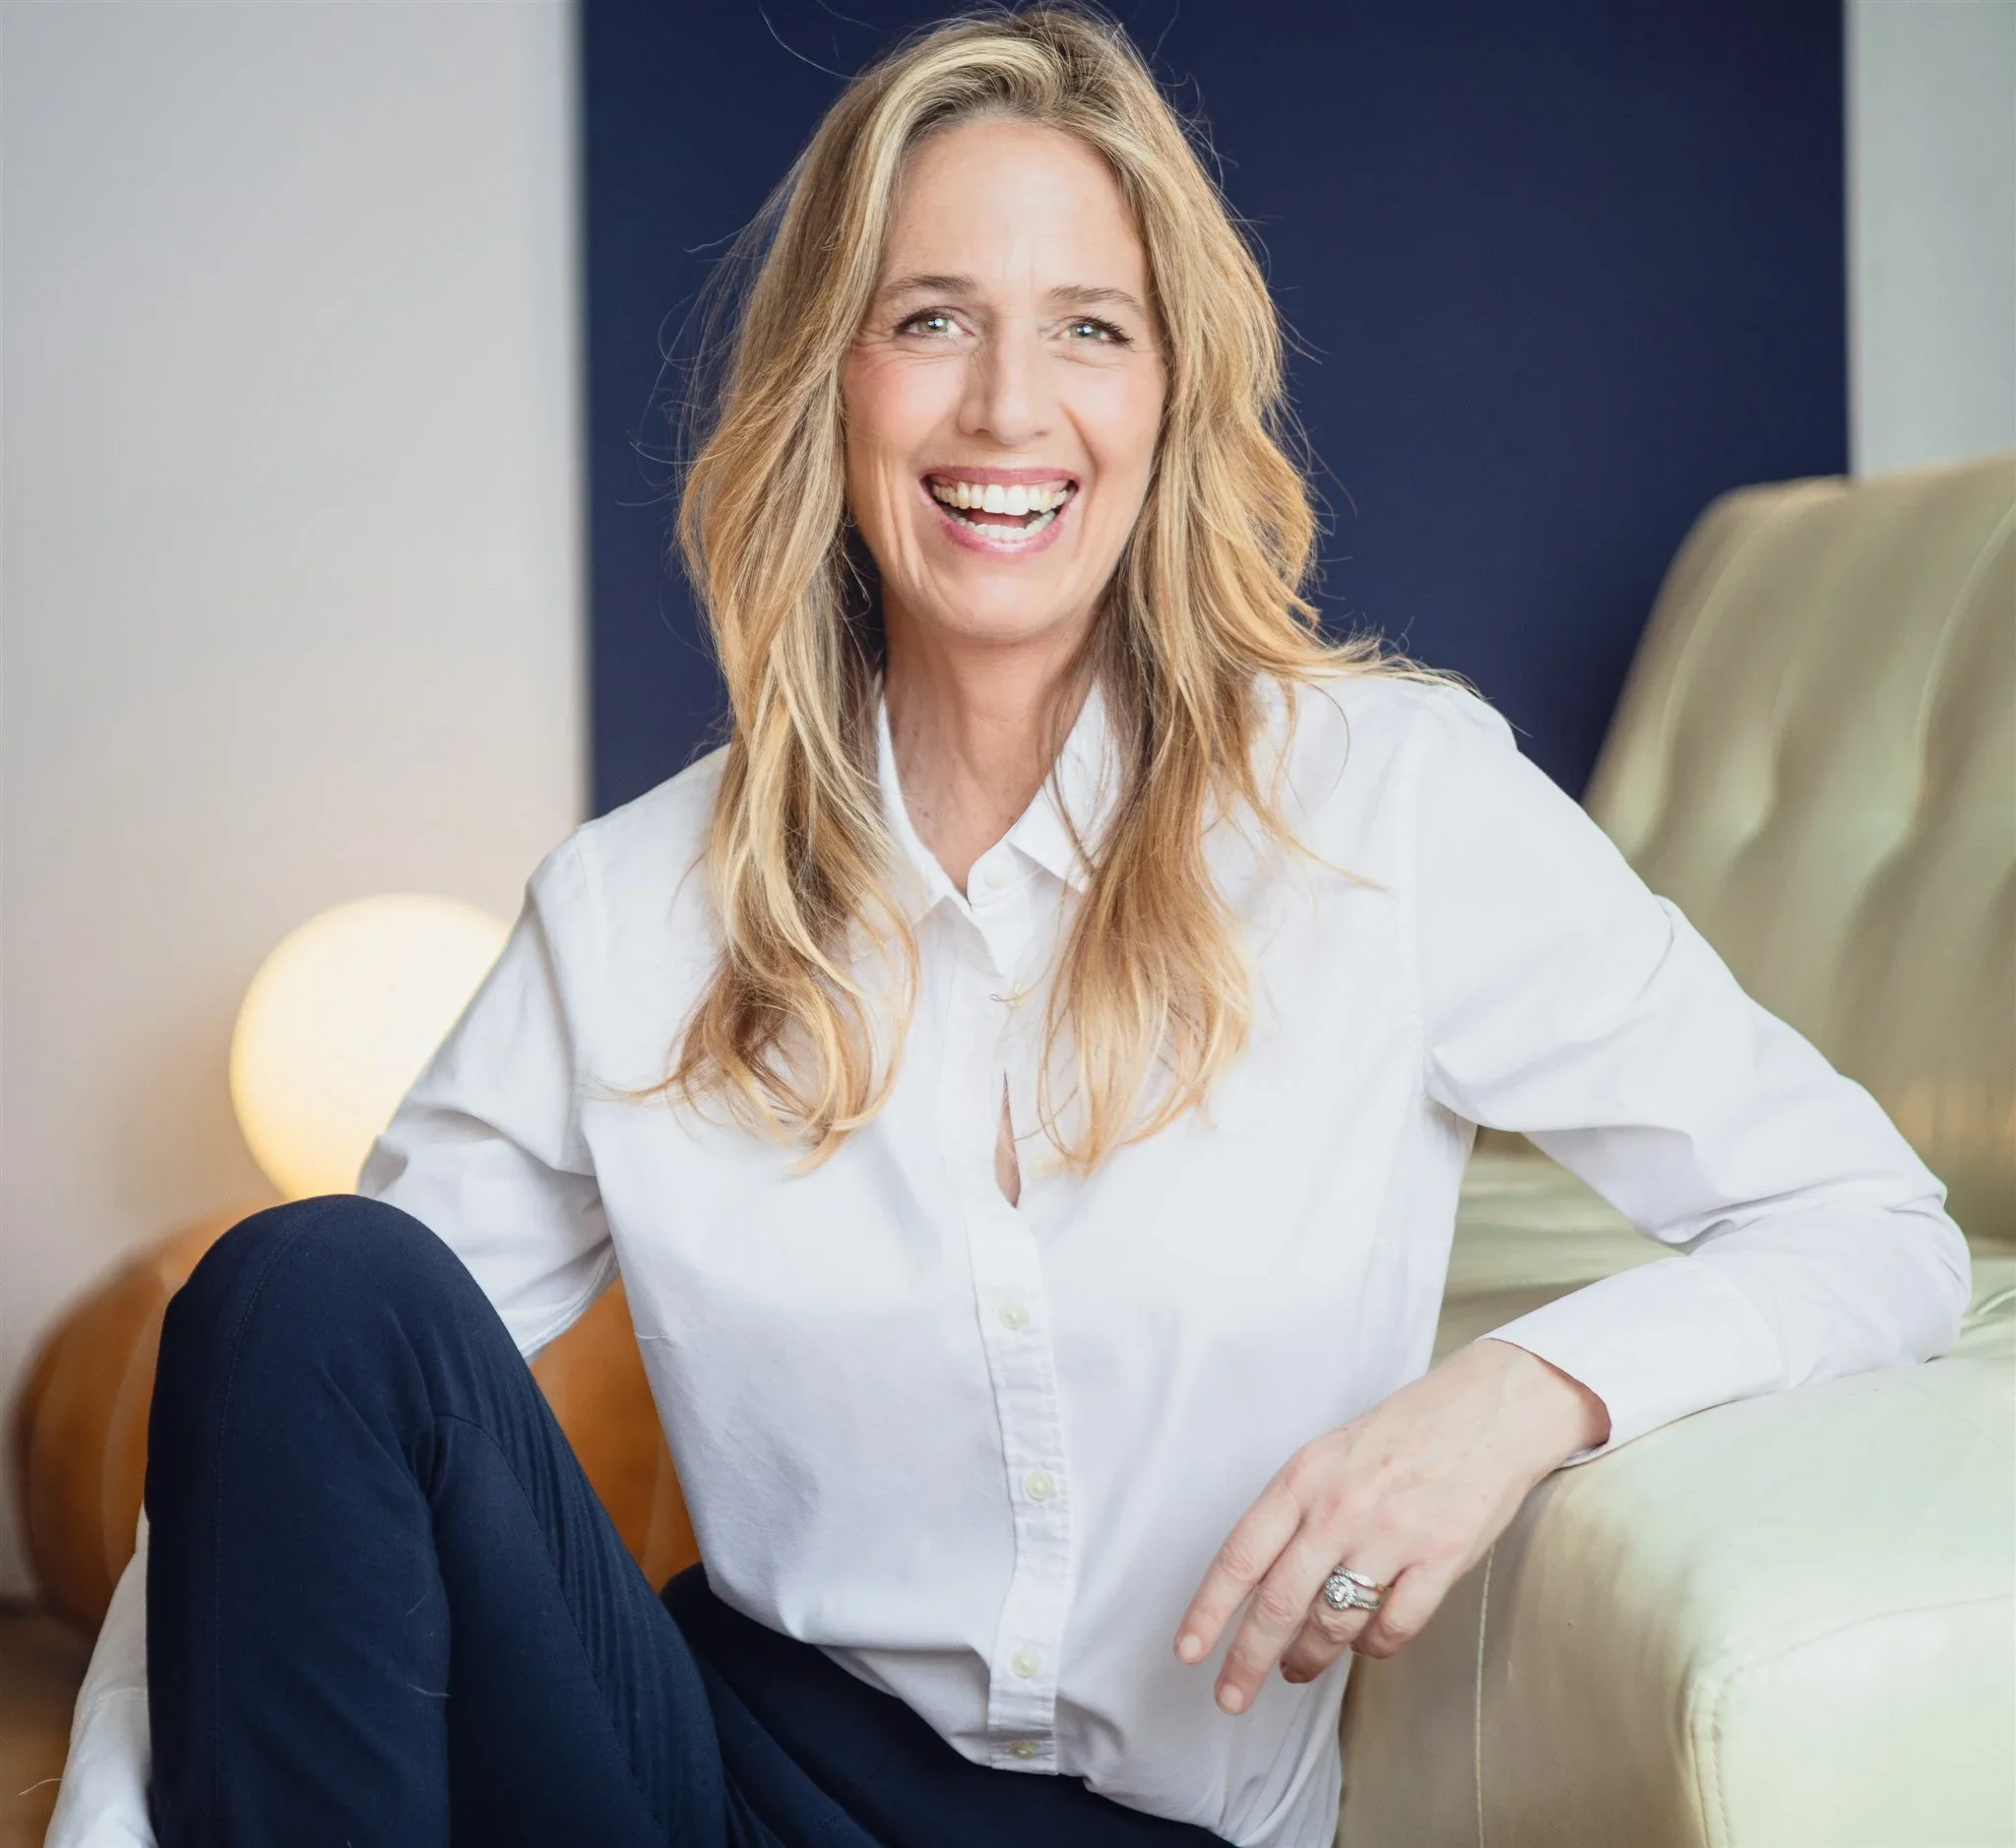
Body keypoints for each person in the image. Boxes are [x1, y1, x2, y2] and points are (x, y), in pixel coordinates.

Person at [49, 8, 1968, 1846]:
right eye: (931, 320)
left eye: (1087, 327)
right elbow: (262, 1461)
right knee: (302, 1286)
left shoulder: (1387, 804)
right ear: (834, 373)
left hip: (1172, 1818)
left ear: (1168, 392)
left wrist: (1518, 1393)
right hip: (718, 1773)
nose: (1006, 407)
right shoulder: (634, 906)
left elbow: (1868, 1224)